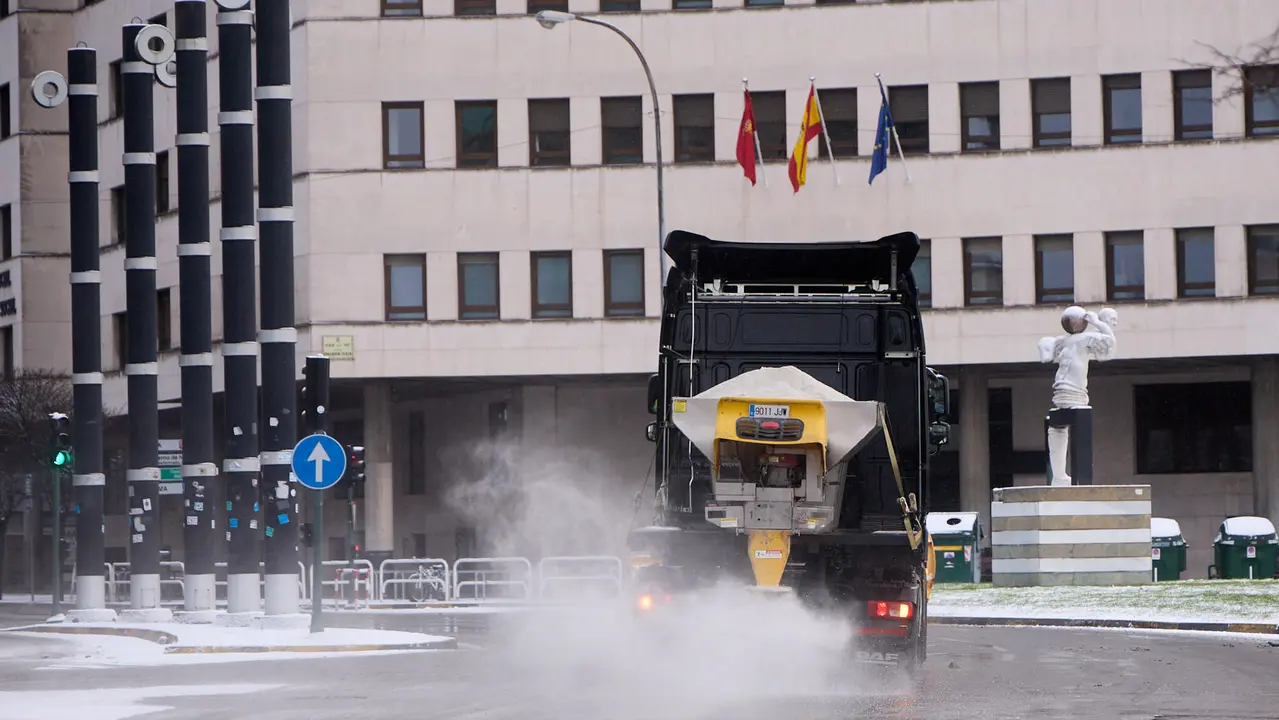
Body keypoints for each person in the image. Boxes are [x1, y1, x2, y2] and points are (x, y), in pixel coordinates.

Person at [1037, 306, 1118, 485]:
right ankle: (1063, 476)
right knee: (1071, 425)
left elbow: (1047, 355)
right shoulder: (1084, 339)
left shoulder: (1063, 341)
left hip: (1060, 389)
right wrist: (1098, 323)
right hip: (1075, 391)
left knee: (1057, 427)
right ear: (1083, 322)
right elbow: (1109, 347)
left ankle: (1058, 476)